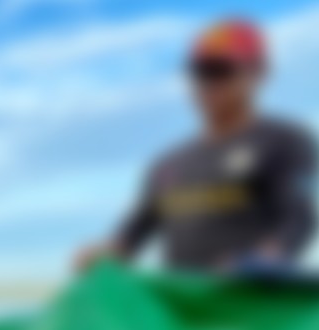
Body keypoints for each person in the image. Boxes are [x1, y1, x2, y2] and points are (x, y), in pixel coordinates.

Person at [81, 19, 315, 272]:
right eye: (200, 72)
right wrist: (105, 253)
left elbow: (298, 218)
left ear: (259, 72)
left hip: (250, 300)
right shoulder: (167, 164)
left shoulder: (285, 141)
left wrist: (268, 257)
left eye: (220, 70)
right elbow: (132, 234)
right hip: (182, 305)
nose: (208, 82)